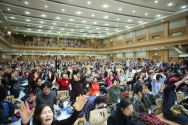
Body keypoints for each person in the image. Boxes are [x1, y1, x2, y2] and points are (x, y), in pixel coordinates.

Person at [19, 95, 87, 125]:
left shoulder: (55, 123)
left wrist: (77, 111)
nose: (48, 115)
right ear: (38, 116)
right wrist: (25, 122)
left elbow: (70, 121)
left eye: (49, 112)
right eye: (44, 113)